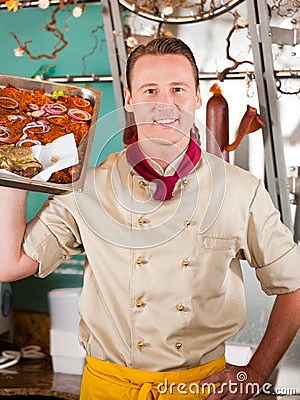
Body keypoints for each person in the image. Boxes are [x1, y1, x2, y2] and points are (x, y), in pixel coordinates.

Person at [0, 36, 299, 400]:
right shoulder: (87, 188)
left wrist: (256, 371)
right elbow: (9, 265)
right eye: (150, 89)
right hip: (106, 389)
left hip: (200, 391)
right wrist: (13, 169)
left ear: (196, 96)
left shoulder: (240, 190)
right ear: (129, 99)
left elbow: (294, 285)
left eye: (178, 89)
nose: (165, 103)